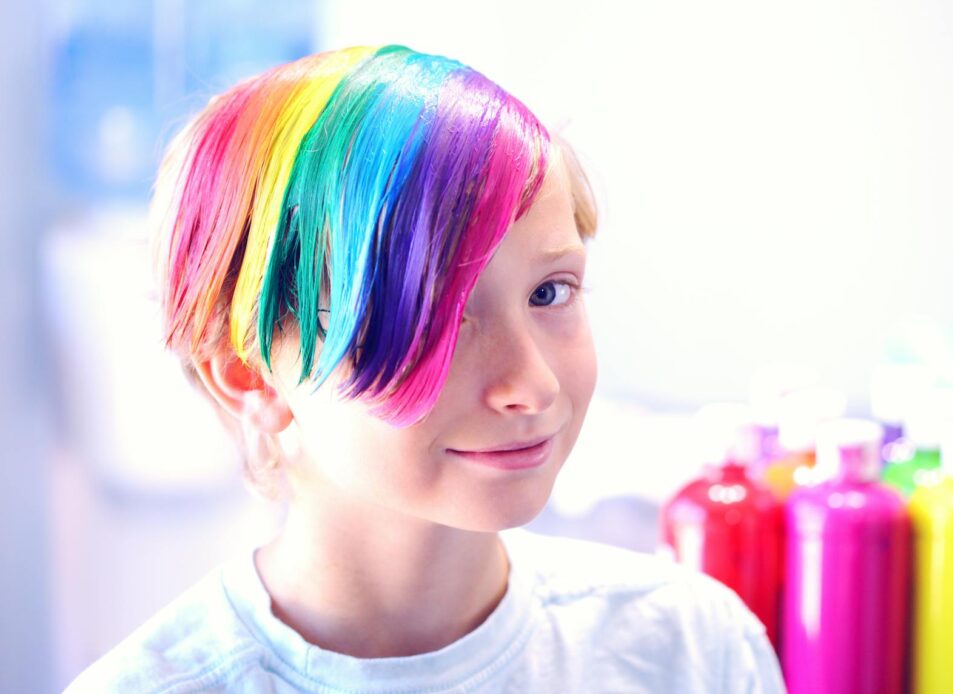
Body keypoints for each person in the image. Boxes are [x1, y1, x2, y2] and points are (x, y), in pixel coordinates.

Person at [65, 45, 785, 693]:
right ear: (253, 378)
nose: (532, 386)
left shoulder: (687, 651)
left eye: (549, 292)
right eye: (434, 318)